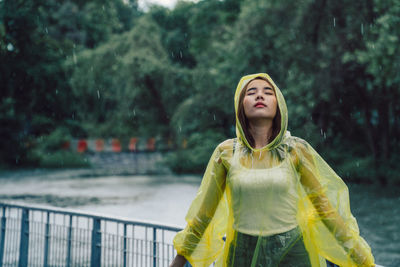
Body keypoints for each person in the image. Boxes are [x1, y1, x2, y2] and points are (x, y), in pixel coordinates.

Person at [169, 73, 375, 267]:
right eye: (251, 92)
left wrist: (363, 260)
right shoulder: (226, 152)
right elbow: (203, 216)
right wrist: (177, 263)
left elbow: (325, 211)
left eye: (268, 92)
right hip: (242, 254)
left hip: (292, 254)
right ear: (241, 105)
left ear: (279, 105)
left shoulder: (295, 150)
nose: (260, 95)